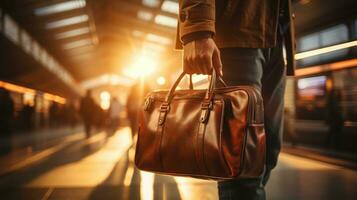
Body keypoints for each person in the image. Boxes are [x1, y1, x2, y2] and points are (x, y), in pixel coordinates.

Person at [177, 0, 295, 199]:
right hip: (236, 28)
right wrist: (197, 29)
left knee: (268, 154)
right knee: (241, 164)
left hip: (277, 33)